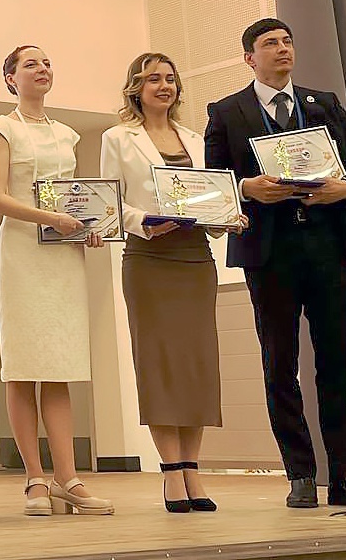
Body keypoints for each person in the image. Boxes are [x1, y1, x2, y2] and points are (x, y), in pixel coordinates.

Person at [204, 18, 346, 509]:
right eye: (271, 43)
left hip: (328, 246)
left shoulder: (322, 103)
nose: (283, 48)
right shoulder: (226, 112)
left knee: (338, 362)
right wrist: (246, 187)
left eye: (288, 41)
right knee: (279, 363)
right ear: (250, 58)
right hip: (270, 253)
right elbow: (211, 180)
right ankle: (301, 474)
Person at [100, 52, 245, 513]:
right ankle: (171, 472)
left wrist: (227, 216)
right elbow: (110, 201)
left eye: (170, 79)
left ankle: (193, 469)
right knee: (159, 364)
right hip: (149, 258)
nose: (164, 86)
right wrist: (143, 221)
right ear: (136, 88)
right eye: (153, 79)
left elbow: (209, 196)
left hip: (194, 257)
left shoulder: (197, 139)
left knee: (195, 364)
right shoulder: (116, 138)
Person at [0, 45, 113, 516]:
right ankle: (34, 479)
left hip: (62, 256)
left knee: (59, 365)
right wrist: (51, 218)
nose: (42, 69)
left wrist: (89, 229)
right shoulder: (0, 128)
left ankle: (68, 479)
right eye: (30, 64)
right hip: (21, 252)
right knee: (22, 366)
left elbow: (77, 200)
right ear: (10, 78)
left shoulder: (67, 134)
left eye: (47, 63)